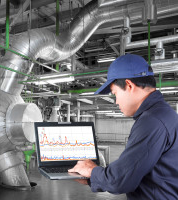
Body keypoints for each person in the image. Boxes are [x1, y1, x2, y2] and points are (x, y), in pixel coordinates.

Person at [68, 54, 178, 199]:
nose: (115, 102)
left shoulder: (152, 121)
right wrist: (92, 178)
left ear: (129, 85)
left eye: (115, 94)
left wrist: (92, 171)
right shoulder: (163, 114)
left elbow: (120, 180)